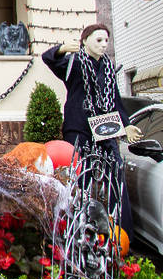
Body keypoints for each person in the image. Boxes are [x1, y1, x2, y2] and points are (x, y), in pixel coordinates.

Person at [42, 24, 142, 232]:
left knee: (116, 175)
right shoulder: (73, 63)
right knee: (80, 179)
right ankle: (77, 229)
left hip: (105, 129)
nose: (104, 45)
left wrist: (128, 125)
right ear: (85, 41)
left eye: (106, 41)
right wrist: (61, 49)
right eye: (98, 40)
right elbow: (48, 58)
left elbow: (115, 100)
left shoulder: (108, 67)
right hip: (79, 127)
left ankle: (121, 233)